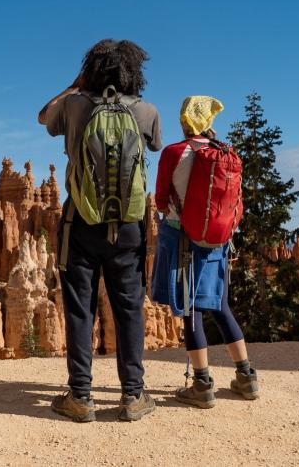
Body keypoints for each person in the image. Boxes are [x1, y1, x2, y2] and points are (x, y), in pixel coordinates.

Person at [38, 39, 162, 422]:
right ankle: (133, 396)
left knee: (80, 308)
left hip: (81, 220)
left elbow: (44, 117)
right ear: (133, 72)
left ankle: (80, 396)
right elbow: (155, 145)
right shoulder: (146, 110)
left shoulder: (75, 105)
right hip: (128, 225)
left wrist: (74, 86)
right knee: (129, 308)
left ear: (91, 70)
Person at [151, 95, 260, 408]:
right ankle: (246, 376)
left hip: (181, 236)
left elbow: (160, 199)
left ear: (185, 121)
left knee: (191, 308)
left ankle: (202, 384)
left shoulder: (174, 152)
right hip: (217, 239)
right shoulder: (224, 151)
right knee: (220, 304)